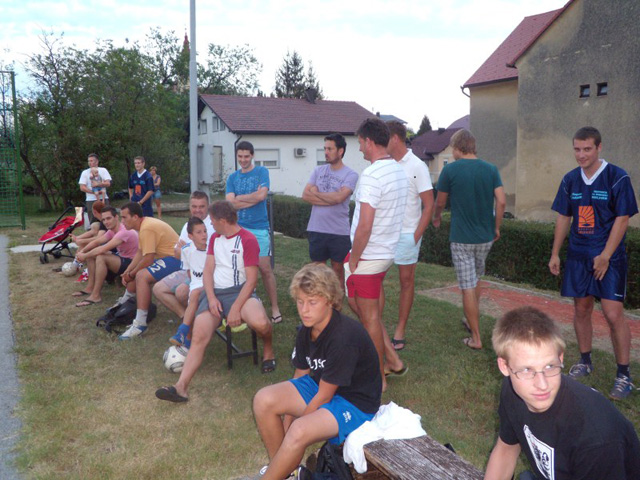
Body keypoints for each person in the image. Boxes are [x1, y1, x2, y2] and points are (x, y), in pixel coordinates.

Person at [253, 264, 382, 480]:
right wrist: (287, 422)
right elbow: (300, 376)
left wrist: (294, 429)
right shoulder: (307, 329)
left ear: (330, 300)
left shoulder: (343, 337)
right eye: (300, 301)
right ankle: (286, 473)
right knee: (263, 400)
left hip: (355, 402)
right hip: (322, 385)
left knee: (299, 431)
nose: (304, 310)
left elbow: (324, 397)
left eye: (312, 302)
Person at [484, 306, 640, 480]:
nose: (542, 384)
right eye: (527, 370)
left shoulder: (596, 439)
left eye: (550, 366)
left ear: (561, 358)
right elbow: (506, 450)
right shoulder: (513, 390)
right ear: (505, 367)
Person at [548, 126, 638, 400]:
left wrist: (606, 255)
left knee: (612, 314)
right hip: (578, 256)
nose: (581, 155)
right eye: (577, 149)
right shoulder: (570, 180)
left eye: (587, 149)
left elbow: (623, 219)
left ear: (599, 148)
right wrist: (555, 253)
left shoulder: (617, 177)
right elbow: (564, 217)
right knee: (581, 308)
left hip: (609, 258)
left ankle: (624, 376)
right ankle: (585, 361)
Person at [155, 201, 275, 403]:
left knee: (261, 323)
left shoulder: (248, 239)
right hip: (216, 293)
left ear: (222, 220)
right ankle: (180, 388)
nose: (210, 224)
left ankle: (268, 349)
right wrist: (211, 298)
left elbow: (252, 280)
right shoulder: (215, 239)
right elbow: (208, 271)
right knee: (199, 336)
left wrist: (235, 308)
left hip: (240, 292)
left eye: (212, 220)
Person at [346, 117, 407, 391]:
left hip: (369, 255)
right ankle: (392, 360)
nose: (359, 148)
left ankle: (378, 377)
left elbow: (365, 225)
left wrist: (355, 258)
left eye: (360, 142)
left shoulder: (372, 175)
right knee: (357, 304)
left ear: (369, 142)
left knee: (369, 317)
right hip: (385, 252)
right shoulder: (397, 170)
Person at [432, 129, 506, 350]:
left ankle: (476, 338)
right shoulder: (491, 169)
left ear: (457, 148)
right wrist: (496, 227)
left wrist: (437, 217)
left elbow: (440, 202)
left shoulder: (450, 170)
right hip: (485, 237)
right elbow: (501, 201)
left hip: (462, 238)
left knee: (467, 286)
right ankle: (469, 318)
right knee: (475, 279)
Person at [385, 120, 434, 351]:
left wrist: (416, 236)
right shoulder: (385, 164)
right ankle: (375, 324)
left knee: (406, 282)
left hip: (406, 234)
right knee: (375, 279)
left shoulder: (417, 166)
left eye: (384, 138)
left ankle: (400, 330)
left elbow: (429, 204)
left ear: (395, 138)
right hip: (384, 233)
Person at [226, 141, 282, 324]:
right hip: (238, 229)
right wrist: (252, 198)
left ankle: (275, 308)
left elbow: (262, 196)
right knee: (241, 269)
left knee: (265, 269)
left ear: (252, 155)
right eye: (240, 156)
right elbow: (230, 203)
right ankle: (246, 304)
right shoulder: (232, 178)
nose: (243, 160)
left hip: (259, 228)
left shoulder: (261, 172)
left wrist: (240, 199)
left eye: (246, 156)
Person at [115, 202, 180, 339]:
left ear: (135, 217)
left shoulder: (146, 228)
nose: (122, 221)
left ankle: (140, 323)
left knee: (141, 276)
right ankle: (124, 304)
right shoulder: (143, 225)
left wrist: (131, 274)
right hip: (168, 258)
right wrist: (128, 271)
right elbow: (140, 252)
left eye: (124, 217)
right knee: (136, 273)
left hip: (177, 260)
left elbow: (148, 259)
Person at [302, 133, 359, 289]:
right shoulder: (318, 171)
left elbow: (339, 198)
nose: (326, 152)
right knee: (317, 271)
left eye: (330, 149)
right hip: (317, 228)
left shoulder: (351, 174)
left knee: (338, 270)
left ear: (340, 151)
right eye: (325, 149)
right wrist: (331, 198)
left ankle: (337, 301)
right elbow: (305, 195)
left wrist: (316, 193)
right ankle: (321, 300)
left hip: (338, 231)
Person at [152, 191, 214, 328]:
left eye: (201, 206)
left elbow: (206, 257)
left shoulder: (213, 225)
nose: (197, 210)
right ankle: (187, 319)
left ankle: (201, 319)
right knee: (158, 289)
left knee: (181, 293)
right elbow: (177, 253)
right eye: (194, 206)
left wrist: (186, 250)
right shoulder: (188, 226)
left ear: (208, 206)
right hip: (187, 269)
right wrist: (189, 251)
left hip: (205, 272)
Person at [73, 206, 139, 307]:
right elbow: (97, 242)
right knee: (92, 254)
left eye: (108, 218)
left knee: (101, 256)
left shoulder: (123, 231)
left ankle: (95, 296)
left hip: (133, 264)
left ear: (116, 217)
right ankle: (90, 288)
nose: (106, 222)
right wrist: (82, 252)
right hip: (123, 259)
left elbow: (102, 249)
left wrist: (84, 255)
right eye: (103, 219)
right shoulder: (112, 230)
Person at [168, 216, 208, 348]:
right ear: (190, 236)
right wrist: (194, 285)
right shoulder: (186, 250)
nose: (204, 235)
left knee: (195, 294)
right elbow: (190, 272)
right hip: (196, 285)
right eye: (199, 232)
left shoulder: (212, 250)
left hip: (212, 284)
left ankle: (182, 331)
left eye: (205, 231)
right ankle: (188, 339)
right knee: (193, 295)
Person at [78, 153, 111, 221]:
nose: (90, 163)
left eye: (91, 161)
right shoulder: (85, 172)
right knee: (93, 220)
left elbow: (108, 183)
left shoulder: (103, 170)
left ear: (97, 162)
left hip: (103, 198)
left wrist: (98, 184)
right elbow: (82, 187)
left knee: (107, 218)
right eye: (88, 161)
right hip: (91, 200)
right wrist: (93, 192)